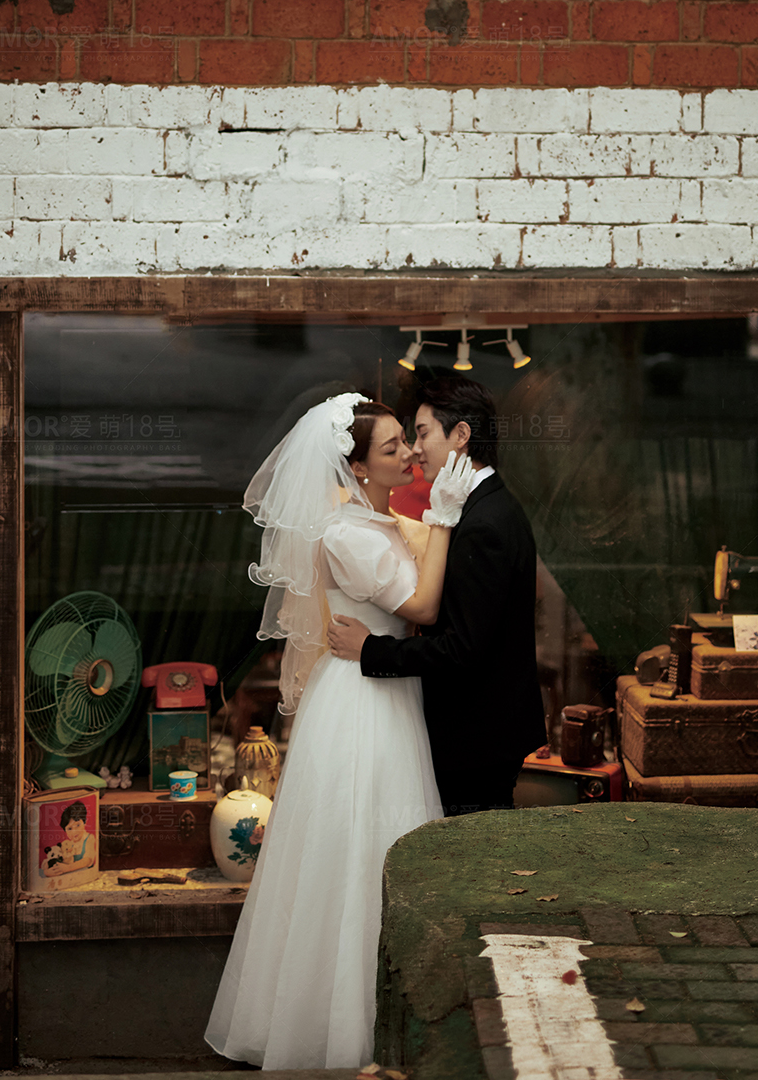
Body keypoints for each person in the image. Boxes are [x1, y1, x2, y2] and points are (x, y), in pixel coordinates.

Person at [205, 392, 474, 1072]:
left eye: (406, 440)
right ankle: (338, 1026)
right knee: (359, 843)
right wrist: (443, 519)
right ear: (356, 467)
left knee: (379, 838)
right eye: (391, 447)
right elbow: (421, 606)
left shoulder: (376, 521)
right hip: (362, 701)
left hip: (384, 683)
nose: (408, 453)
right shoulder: (346, 533)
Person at [328, 375, 545, 817]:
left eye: (423, 433)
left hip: (477, 736)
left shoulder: (484, 524)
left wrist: (371, 649)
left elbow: (462, 648)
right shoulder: (483, 507)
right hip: (476, 731)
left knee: (469, 852)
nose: (416, 450)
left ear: (461, 435)